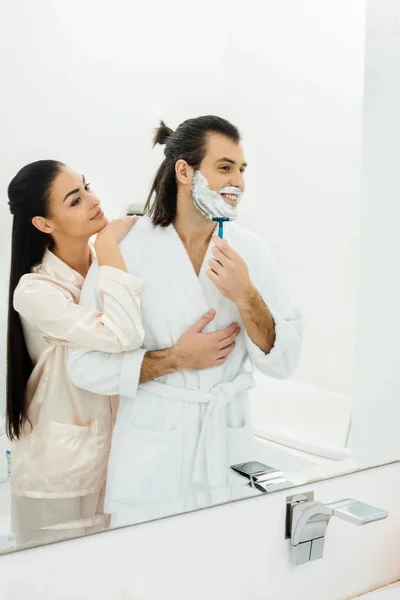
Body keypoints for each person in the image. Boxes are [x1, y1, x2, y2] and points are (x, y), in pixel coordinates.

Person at [68, 116, 303, 527]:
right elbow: (83, 365)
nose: (239, 183)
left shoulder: (250, 251)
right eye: (225, 167)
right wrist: (175, 359)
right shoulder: (129, 249)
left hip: (226, 444)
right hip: (152, 451)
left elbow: (283, 363)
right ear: (184, 171)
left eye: (242, 170)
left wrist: (245, 293)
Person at [6, 160, 145, 547]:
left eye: (86, 188)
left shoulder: (105, 269)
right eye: (74, 200)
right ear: (44, 223)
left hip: (115, 466)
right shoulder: (34, 292)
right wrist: (108, 243)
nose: (93, 201)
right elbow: (125, 334)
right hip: (56, 483)